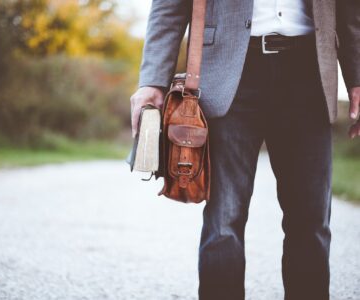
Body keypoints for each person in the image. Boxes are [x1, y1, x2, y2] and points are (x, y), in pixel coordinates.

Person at [129, 1, 360, 299]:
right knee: (224, 219)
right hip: (230, 70)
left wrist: (357, 77)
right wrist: (153, 80)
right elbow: (170, 6)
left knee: (311, 221)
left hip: (311, 70)